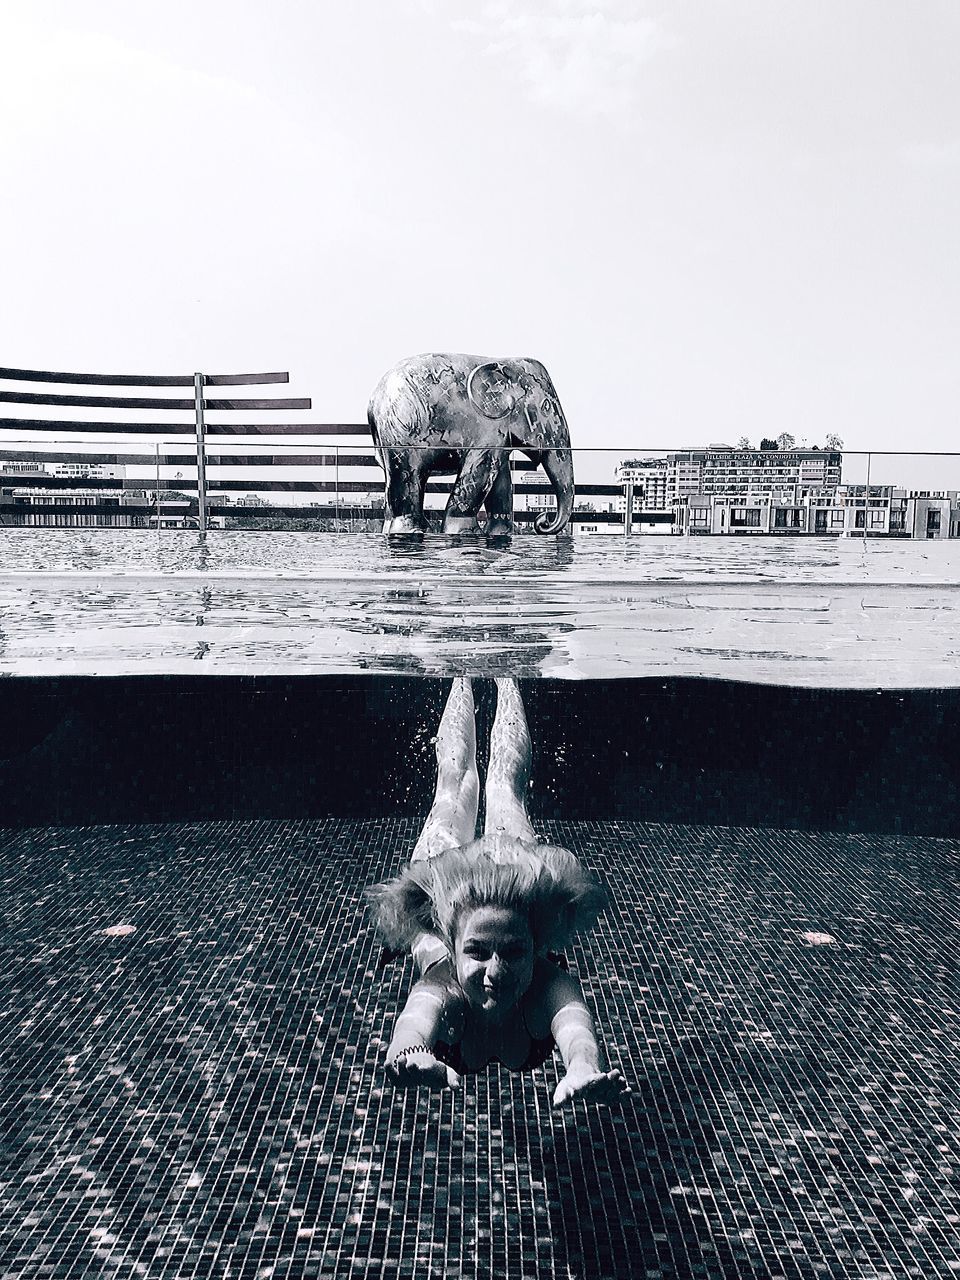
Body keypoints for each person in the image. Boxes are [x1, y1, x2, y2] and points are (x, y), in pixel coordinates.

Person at [366, 676, 630, 1107]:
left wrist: (582, 1065)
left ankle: (508, 675)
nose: (496, 971)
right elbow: (412, 1025)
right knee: (457, 782)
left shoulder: (549, 985)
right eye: (477, 951)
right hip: (448, 880)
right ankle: (461, 672)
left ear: (536, 944)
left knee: (502, 785)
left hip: (498, 874)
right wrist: (410, 1056)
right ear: (450, 949)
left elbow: (575, 1027)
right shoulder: (442, 986)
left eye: (513, 951)